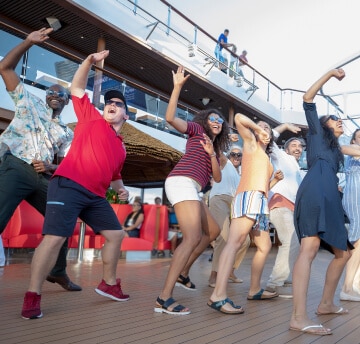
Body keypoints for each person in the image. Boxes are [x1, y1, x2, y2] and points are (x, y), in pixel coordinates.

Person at [21, 49, 130, 319]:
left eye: (117, 103)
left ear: (126, 115)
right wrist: (89, 61)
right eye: (108, 103)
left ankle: (109, 284)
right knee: (55, 238)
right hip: (68, 185)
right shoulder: (92, 118)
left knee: (116, 235)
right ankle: (32, 296)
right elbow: (78, 87)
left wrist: (121, 189)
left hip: (95, 197)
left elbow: (115, 174)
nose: (111, 104)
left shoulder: (122, 148)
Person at [0, 27, 81, 291]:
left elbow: (68, 165)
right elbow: (5, 68)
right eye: (51, 91)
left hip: (43, 177)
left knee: (63, 217)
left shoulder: (67, 132)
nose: (55, 94)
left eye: (61, 93)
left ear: (67, 101)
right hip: (16, 167)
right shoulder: (29, 103)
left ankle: (57, 272)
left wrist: (51, 166)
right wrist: (27, 42)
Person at [154, 65, 229, 315]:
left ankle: (183, 272)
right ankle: (164, 298)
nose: (217, 121)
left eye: (220, 120)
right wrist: (176, 88)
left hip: (194, 189)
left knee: (214, 231)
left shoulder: (216, 150)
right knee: (192, 238)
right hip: (181, 181)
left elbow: (216, 178)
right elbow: (169, 118)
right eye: (213, 118)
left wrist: (211, 154)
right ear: (205, 122)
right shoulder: (196, 131)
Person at [290, 68, 354, 336]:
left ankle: (326, 303)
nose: (340, 122)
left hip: (330, 197)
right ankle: (298, 317)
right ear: (325, 124)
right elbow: (307, 98)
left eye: (341, 120)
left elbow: (357, 150)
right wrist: (329, 74)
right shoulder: (316, 134)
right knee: (310, 248)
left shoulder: (337, 150)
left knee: (344, 252)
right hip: (315, 191)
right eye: (335, 119)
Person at [208, 114, 282, 314]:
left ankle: (255, 289)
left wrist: (274, 181)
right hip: (249, 196)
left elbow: (263, 184)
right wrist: (257, 130)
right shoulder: (251, 143)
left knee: (264, 245)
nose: (262, 128)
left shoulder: (266, 157)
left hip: (260, 201)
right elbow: (239, 118)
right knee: (234, 243)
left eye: (266, 127)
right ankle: (218, 295)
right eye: (259, 126)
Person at [266, 127, 306, 298]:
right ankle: (274, 283)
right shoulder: (281, 156)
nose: (298, 148)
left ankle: (284, 276)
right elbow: (269, 137)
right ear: (286, 148)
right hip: (279, 203)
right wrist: (285, 126)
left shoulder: (298, 170)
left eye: (300, 146)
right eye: (294, 145)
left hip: (292, 208)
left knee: (294, 242)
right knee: (290, 240)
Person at [208, 145, 251, 288]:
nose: (236, 157)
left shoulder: (242, 174)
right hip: (220, 198)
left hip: (235, 203)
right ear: (228, 155)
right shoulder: (225, 163)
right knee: (224, 236)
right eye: (233, 154)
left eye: (239, 155)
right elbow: (215, 148)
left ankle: (230, 271)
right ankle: (214, 275)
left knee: (245, 240)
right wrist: (225, 140)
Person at [341, 128, 360, 301]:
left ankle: (354, 285)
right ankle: (347, 287)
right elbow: (343, 147)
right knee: (356, 241)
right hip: (355, 200)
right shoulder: (353, 151)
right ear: (354, 140)